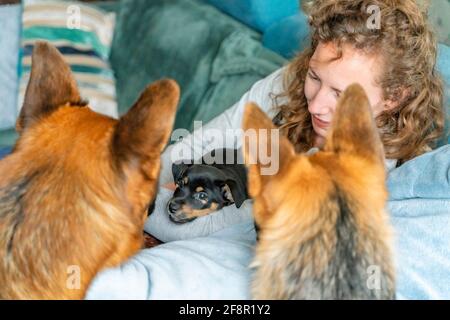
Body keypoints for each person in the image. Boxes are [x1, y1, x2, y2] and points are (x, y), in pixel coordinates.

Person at [146, 0, 444, 242]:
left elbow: (210, 229)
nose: (316, 104)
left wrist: (130, 196)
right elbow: (202, 141)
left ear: (394, 97)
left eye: (341, 94)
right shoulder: (291, 79)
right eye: (315, 77)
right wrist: (141, 181)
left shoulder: (367, 171)